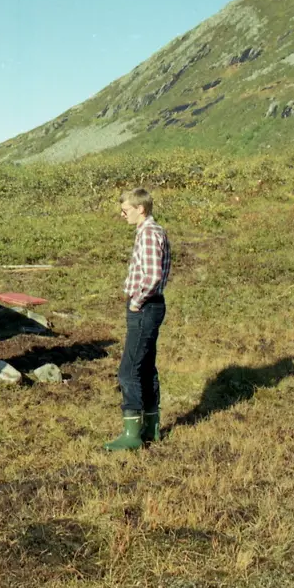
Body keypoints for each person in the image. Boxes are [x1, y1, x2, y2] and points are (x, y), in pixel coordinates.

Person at [105, 188, 172, 451]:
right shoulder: (156, 231)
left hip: (144, 307)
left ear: (140, 209)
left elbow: (153, 276)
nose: (123, 215)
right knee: (145, 367)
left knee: (129, 369)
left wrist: (136, 302)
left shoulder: (147, 234)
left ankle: (132, 435)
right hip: (151, 306)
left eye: (125, 210)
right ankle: (151, 427)